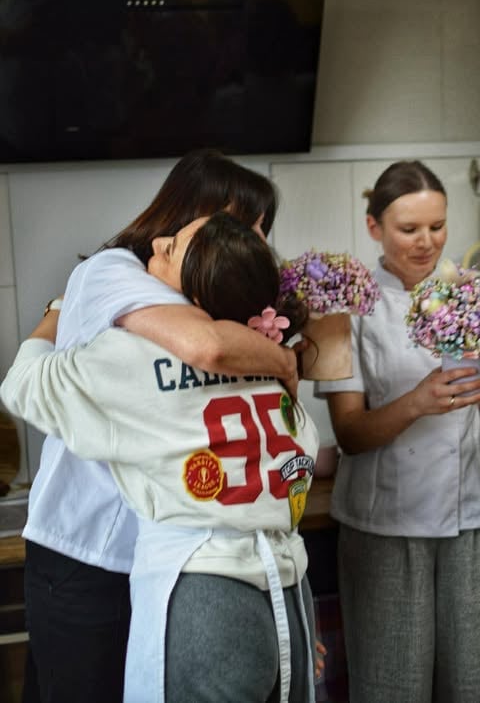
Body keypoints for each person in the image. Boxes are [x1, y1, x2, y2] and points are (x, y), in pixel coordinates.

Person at [18, 149, 303, 703]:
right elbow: (209, 345)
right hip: (91, 552)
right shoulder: (115, 271)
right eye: (244, 223)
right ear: (189, 215)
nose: (256, 243)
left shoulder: (207, 291)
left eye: (262, 230)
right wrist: (284, 359)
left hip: (172, 563)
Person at [314, 160, 480, 703]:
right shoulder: (344, 309)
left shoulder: (470, 295)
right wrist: (418, 402)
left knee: (469, 682)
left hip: (471, 520)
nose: (427, 242)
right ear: (374, 227)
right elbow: (352, 434)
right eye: (409, 229)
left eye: (437, 226)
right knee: (392, 688)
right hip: (386, 524)